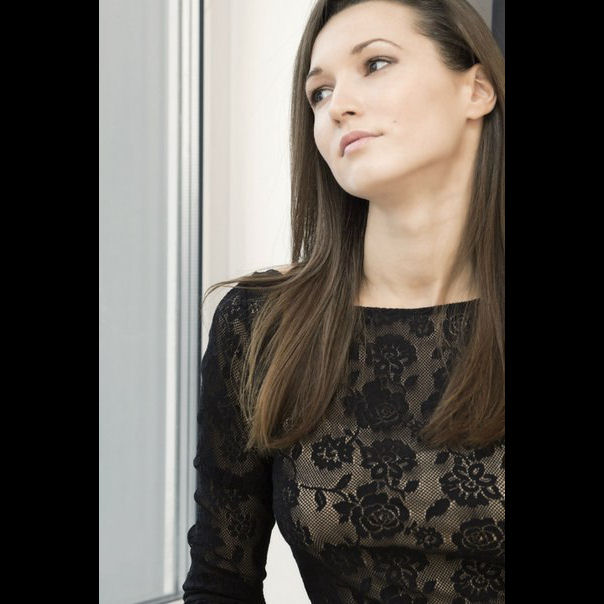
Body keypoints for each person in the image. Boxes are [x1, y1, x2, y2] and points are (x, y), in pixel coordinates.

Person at [183, 0, 504, 601]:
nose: (338, 106)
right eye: (319, 93)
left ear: (477, 90)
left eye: (375, 64)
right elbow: (220, 584)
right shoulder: (262, 323)